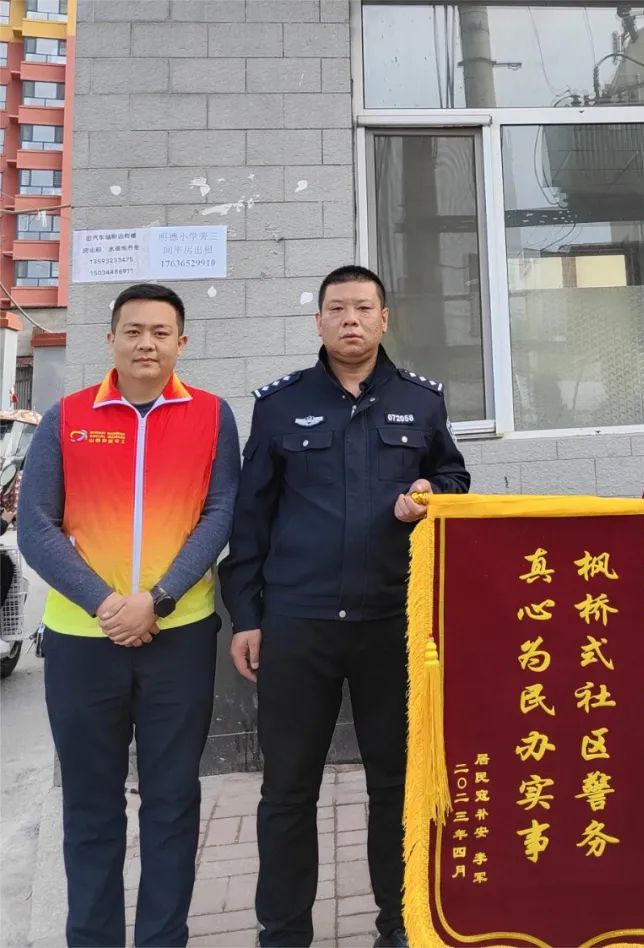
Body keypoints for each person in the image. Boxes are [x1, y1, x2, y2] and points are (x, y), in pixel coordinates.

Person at [219, 264, 470, 948]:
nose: (350, 319)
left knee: (396, 784)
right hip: (298, 625)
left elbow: (453, 475)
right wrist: (247, 617)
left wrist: (432, 491)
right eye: (337, 308)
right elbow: (251, 519)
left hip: (392, 623)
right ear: (319, 321)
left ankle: (399, 925)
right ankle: (283, 932)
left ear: (384, 318)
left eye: (363, 308)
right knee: (288, 788)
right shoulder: (280, 405)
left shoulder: (420, 401)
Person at [18, 283, 240, 947]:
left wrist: (158, 599)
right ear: (110, 338)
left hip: (180, 637)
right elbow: (35, 526)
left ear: (182, 342)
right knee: (91, 806)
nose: (147, 343)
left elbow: (220, 515)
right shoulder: (66, 418)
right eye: (134, 331)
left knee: (172, 802)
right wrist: (106, 604)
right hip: (84, 641)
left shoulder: (212, 415)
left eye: (161, 332)